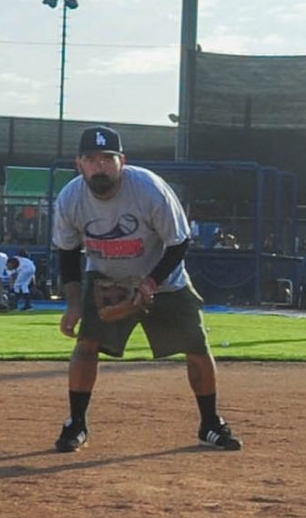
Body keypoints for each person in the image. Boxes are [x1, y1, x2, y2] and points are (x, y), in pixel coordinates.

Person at [51, 125, 239, 453]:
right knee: (86, 345)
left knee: (196, 346)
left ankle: (210, 423)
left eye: (107, 159)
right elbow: (67, 253)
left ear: (122, 161)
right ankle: (76, 424)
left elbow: (178, 242)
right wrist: (74, 304)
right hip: (106, 279)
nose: (99, 166)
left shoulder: (149, 189)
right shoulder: (70, 198)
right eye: (91, 159)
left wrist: (150, 283)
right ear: (79, 163)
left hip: (165, 280)